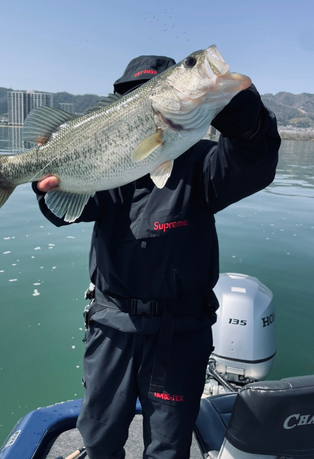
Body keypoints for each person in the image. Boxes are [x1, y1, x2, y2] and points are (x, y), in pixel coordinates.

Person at [33, 54, 281, 459]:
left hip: (180, 334)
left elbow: (254, 158)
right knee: (97, 437)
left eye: (142, 98)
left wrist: (237, 107)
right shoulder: (105, 166)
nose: (135, 113)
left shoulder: (204, 164)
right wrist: (50, 185)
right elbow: (65, 211)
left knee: (168, 446)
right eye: (128, 101)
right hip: (111, 326)